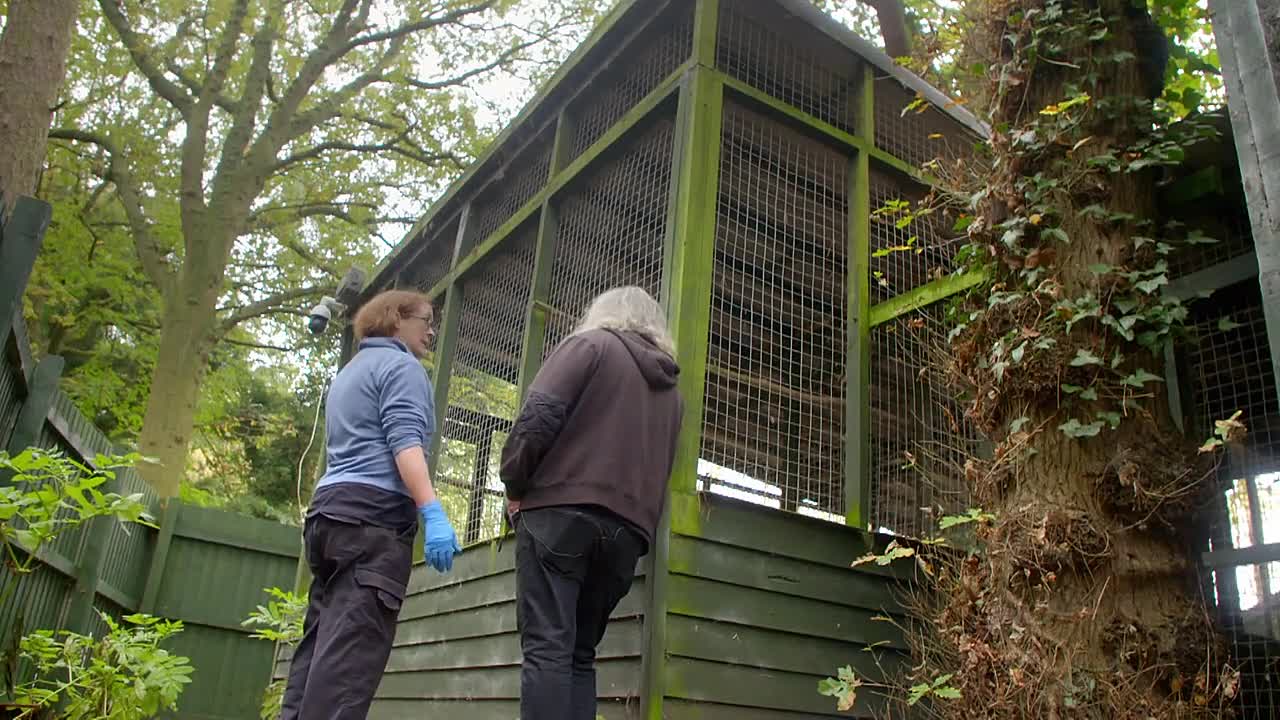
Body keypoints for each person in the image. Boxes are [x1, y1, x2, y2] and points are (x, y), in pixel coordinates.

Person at [500, 285, 684, 720]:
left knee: (548, 646)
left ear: (603, 313)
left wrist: (514, 484)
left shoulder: (589, 345)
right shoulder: (672, 394)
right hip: (627, 532)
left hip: (559, 514)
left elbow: (538, 417)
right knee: (581, 654)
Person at [281, 289, 461, 720]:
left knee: (319, 649)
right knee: (348, 665)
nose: (432, 331)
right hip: (374, 524)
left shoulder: (350, 372)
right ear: (396, 319)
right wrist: (432, 511)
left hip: (328, 516)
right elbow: (405, 446)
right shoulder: (402, 368)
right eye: (425, 320)